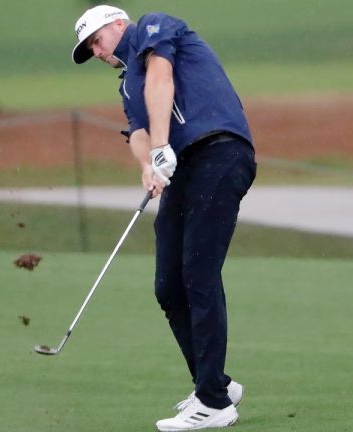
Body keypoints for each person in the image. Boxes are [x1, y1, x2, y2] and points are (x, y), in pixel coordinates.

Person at [71, 5, 256, 431]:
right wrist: (148, 165)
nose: (96, 52)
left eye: (96, 41)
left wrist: (160, 146)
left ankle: (213, 403)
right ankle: (217, 385)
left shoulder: (155, 27)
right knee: (168, 284)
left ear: (118, 24)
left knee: (198, 273)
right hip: (181, 168)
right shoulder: (126, 86)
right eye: (89, 49)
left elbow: (161, 77)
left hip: (219, 151)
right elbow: (137, 131)